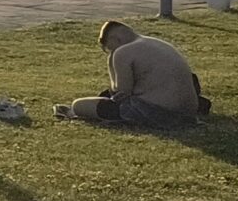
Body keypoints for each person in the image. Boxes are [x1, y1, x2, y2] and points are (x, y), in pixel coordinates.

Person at [57, 21, 210, 128]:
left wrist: (111, 63)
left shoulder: (123, 52)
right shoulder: (156, 43)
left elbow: (120, 93)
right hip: (189, 109)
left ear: (116, 39)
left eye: (110, 49)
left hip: (158, 112)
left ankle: (74, 110)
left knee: (79, 105)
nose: (111, 53)